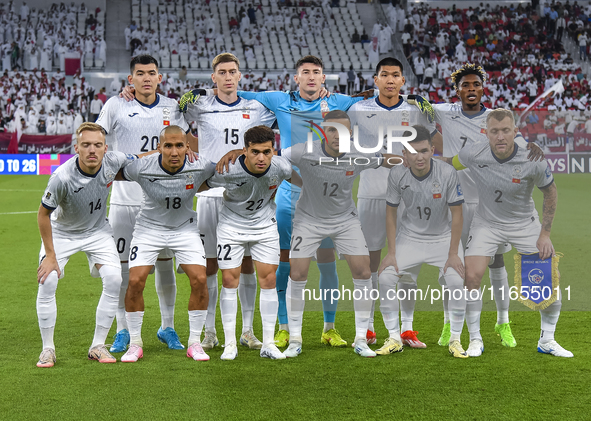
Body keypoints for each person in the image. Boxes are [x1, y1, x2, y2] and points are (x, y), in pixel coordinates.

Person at [211, 56, 371, 348]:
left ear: (324, 78)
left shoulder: (340, 101)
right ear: (296, 78)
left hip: (326, 196)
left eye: (316, 73)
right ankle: (285, 328)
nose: (311, 77)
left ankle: (329, 327)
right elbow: (237, 94)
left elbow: (373, 99)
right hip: (288, 192)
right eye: (305, 73)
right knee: (285, 261)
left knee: (326, 263)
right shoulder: (278, 99)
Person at [406, 63, 544, 352]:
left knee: (494, 263)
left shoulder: (495, 119)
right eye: (465, 85)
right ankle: (449, 322)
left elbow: (516, 143)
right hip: (453, 199)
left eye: (475, 85)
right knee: (452, 265)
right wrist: (416, 101)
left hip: (488, 203)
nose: (470, 89)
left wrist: (531, 144)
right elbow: (419, 105)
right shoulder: (445, 112)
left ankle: (503, 322)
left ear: (483, 88)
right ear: (457, 90)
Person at [444, 108, 572, 358]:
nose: (500, 136)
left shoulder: (532, 158)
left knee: (548, 279)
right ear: (486, 133)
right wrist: (421, 161)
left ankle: (547, 339)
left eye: (505, 131)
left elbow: (551, 192)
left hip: (524, 223)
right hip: (486, 223)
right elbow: (450, 164)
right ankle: (475, 339)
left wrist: (544, 235)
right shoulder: (473, 152)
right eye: (494, 131)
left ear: (515, 132)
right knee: (471, 277)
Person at [279, 110, 401, 358]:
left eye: (343, 130)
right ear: (323, 131)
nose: (337, 135)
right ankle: (295, 339)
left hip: (345, 220)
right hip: (308, 220)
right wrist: (299, 182)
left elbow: (385, 159)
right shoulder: (304, 151)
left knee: (363, 270)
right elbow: (277, 160)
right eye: (332, 130)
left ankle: (360, 340)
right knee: (298, 272)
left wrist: (411, 159)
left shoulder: (359, 153)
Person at [96, 54, 196, 354]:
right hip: (125, 199)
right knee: (123, 268)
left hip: (164, 198)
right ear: (131, 79)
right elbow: (98, 135)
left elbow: (186, 144)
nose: (146, 78)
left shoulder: (173, 107)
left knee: (165, 264)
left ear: (160, 77)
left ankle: (167, 327)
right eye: (140, 73)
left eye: (151, 73)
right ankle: (123, 330)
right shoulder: (116, 105)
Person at [182, 53, 276, 351]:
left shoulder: (257, 107)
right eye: (221, 72)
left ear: (240, 76)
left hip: (245, 194)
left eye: (232, 72)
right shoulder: (200, 105)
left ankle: (247, 330)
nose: (227, 77)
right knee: (210, 265)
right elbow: (168, 112)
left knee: (247, 263)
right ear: (214, 77)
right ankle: (210, 331)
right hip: (210, 195)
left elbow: (291, 108)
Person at [348, 57, 438, 347]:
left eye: (395, 75)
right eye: (384, 75)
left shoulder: (416, 110)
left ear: (403, 81)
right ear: (375, 80)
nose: (389, 80)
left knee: (408, 264)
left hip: (409, 197)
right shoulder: (358, 108)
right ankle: (369, 327)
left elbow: (433, 142)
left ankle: (408, 329)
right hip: (371, 195)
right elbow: (338, 138)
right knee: (369, 265)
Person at [35, 122, 137, 368]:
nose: (92, 150)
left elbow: (141, 158)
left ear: (105, 148)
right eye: (86, 145)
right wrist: (50, 255)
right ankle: (47, 348)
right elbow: (42, 215)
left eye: (97, 145)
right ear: (76, 148)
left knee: (114, 279)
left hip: (97, 231)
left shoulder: (114, 160)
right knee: (47, 280)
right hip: (63, 233)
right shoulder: (62, 177)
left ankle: (97, 345)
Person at [119, 125, 215, 363]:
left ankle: (194, 343)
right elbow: (111, 170)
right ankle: (135, 343)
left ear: (187, 147)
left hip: (184, 229)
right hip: (148, 229)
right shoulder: (142, 166)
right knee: (135, 280)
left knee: (200, 279)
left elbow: (227, 170)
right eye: (168, 146)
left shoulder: (201, 165)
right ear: (159, 147)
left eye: (179, 145)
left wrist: (234, 153)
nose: (174, 151)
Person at [377, 125, 468, 358]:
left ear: (432, 150)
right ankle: (395, 337)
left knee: (457, 283)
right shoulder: (397, 174)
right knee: (386, 278)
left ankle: (456, 340)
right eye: (414, 152)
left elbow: (457, 214)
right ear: (404, 154)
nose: (420, 157)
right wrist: (391, 252)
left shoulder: (447, 173)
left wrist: (453, 253)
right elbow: (391, 213)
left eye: (425, 151)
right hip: (410, 237)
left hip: (443, 238)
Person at [204, 126, 291, 360]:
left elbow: (297, 179)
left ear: (274, 151)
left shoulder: (282, 167)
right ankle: (230, 343)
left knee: (269, 279)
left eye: (267, 151)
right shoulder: (227, 170)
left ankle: (269, 344)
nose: (261, 157)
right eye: (255, 152)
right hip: (232, 228)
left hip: (265, 227)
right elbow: (202, 185)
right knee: (230, 279)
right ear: (244, 151)